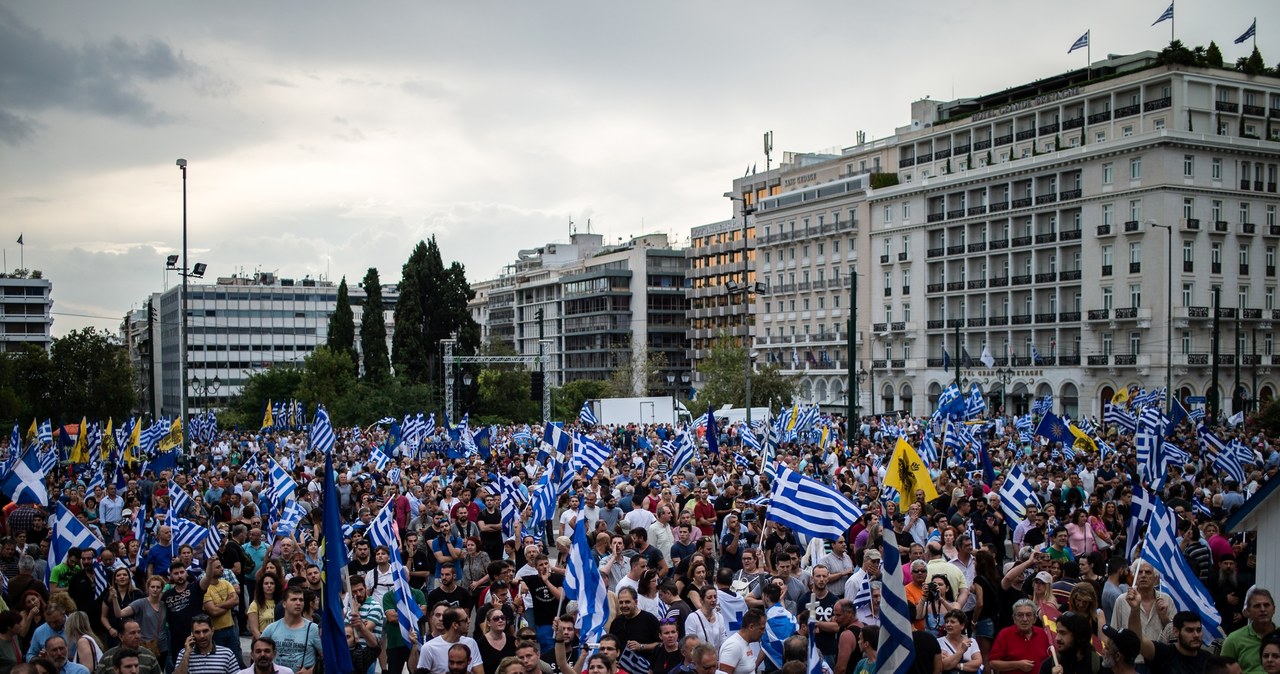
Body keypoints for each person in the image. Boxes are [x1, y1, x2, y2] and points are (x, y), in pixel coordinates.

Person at [259, 588, 321, 674]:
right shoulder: (271, 628)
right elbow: (258, 653)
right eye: (294, 599)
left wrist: (311, 671)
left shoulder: (313, 629)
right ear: (284, 604)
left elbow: (327, 656)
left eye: (301, 600)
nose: (298, 603)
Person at [988, 599, 1051, 674]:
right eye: (1020, 615)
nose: (1024, 619)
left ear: (1035, 619)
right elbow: (993, 663)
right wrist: (1017, 665)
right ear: (1014, 618)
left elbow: (1050, 659)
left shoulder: (1042, 633)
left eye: (1028, 615)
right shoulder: (1005, 634)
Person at [1221, 588, 1276, 674]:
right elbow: (1222, 671)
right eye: (1257, 606)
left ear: (1274, 609)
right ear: (1248, 612)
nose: (1262, 609)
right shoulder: (1234, 639)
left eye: (1266, 605)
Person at [200, 559, 242, 666]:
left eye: (221, 566)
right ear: (209, 570)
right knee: (218, 663)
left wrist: (218, 605)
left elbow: (236, 600)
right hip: (216, 633)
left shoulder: (226, 583)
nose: (222, 568)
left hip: (231, 629)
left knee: (235, 661)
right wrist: (229, 604)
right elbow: (213, 612)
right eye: (218, 567)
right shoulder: (205, 589)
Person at [417, 608, 482, 674]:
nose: (469, 621)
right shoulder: (429, 648)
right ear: (455, 625)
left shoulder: (471, 643)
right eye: (465, 620)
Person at [172, 615, 239, 674]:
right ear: (192, 634)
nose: (202, 636)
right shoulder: (183, 653)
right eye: (197, 632)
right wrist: (187, 654)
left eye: (205, 631)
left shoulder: (227, 654)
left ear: (212, 631)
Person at [93, 621, 160, 674]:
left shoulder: (149, 655)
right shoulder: (108, 657)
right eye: (132, 633)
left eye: (139, 632)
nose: (137, 636)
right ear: (121, 636)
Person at [717, 609, 764, 674]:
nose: (763, 632)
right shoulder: (733, 646)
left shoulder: (745, 643)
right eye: (761, 628)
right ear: (751, 627)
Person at [936, 610, 980, 674]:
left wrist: (955, 665)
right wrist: (961, 651)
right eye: (946, 622)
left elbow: (977, 664)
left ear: (962, 626)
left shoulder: (971, 641)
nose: (948, 624)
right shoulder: (939, 642)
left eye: (952, 622)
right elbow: (943, 665)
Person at [684, 587, 727, 651]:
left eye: (715, 597)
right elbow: (691, 644)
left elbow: (723, 640)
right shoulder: (693, 618)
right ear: (701, 600)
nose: (713, 600)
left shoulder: (719, 617)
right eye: (709, 597)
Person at [477, 608, 515, 674]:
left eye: (502, 618)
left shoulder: (512, 641)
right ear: (489, 623)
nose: (500, 620)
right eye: (496, 619)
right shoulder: (480, 643)